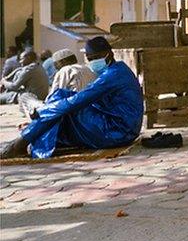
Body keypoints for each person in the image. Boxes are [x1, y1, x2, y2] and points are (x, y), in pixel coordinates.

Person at [0, 37, 143, 159]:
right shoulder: (117, 69)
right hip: (121, 126)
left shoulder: (112, 75)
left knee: (61, 101)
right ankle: (30, 136)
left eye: (96, 58)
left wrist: (45, 110)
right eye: (90, 59)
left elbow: (80, 100)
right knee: (61, 101)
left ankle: (22, 141)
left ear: (109, 54)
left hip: (119, 131)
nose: (93, 62)